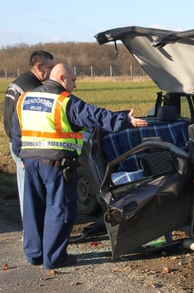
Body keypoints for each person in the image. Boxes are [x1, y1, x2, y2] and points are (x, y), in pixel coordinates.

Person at [11, 63, 148, 269]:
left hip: (30, 162)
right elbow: (96, 116)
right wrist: (125, 121)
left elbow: (16, 130)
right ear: (62, 78)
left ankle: (34, 255)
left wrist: (20, 152)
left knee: (34, 208)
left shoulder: (25, 98)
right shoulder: (64, 101)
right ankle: (54, 258)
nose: (75, 85)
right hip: (56, 164)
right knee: (60, 210)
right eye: (73, 80)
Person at [3, 50, 55, 220]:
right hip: (27, 146)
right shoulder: (33, 89)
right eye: (50, 67)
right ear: (39, 67)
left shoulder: (16, 83)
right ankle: (32, 234)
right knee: (32, 194)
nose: (52, 71)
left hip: (16, 142)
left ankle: (31, 231)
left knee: (25, 190)